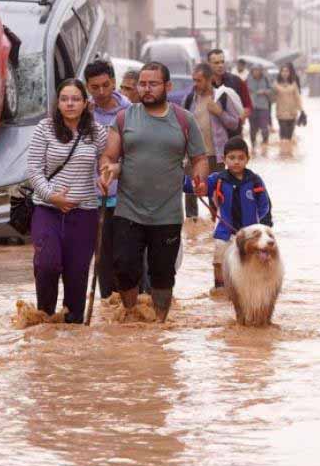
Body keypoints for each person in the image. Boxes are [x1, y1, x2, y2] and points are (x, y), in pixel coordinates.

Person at [99, 62, 208, 322]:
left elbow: (199, 158)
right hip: (128, 210)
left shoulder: (184, 120)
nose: (146, 89)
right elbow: (109, 156)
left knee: (163, 275)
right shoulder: (124, 118)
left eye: (153, 84)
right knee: (124, 268)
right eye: (142, 84)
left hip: (167, 213)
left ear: (167, 86)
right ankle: (131, 315)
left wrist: (200, 178)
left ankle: (160, 325)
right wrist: (107, 169)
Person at [27, 78, 107, 323]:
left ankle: (73, 330)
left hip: (84, 213)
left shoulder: (97, 132)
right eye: (64, 99)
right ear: (58, 103)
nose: (70, 104)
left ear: (85, 103)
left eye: (75, 99)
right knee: (47, 265)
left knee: (77, 275)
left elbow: (108, 160)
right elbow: (34, 170)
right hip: (47, 210)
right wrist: (52, 196)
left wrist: (105, 175)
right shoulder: (44, 128)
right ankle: (45, 321)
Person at [195, 137, 272, 295]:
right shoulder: (217, 179)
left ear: (247, 159)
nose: (236, 161)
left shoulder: (255, 181)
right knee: (219, 260)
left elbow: (264, 205)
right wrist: (196, 186)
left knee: (252, 262)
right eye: (232, 158)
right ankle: (219, 289)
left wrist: (257, 224)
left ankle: (251, 291)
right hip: (224, 231)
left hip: (250, 234)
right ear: (224, 159)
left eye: (241, 158)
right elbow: (199, 187)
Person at [84, 60, 131, 300]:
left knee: (127, 258)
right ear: (87, 87)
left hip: (126, 197)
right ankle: (108, 306)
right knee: (102, 259)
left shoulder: (130, 112)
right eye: (95, 87)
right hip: (94, 198)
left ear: (113, 82)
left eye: (105, 85)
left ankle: (131, 305)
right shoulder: (83, 113)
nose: (101, 92)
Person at [181, 62, 240, 220]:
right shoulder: (189, 99)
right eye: (194, 80)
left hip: (216, 155)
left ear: (209, 80)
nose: (195, 84)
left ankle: (215, 227)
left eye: (199, 80)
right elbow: (181, 125)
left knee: (215, 195)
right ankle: (193, 229)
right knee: (190, 194)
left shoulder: (222, 97)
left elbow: (234, 123)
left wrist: (219, 112)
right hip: (193, 155)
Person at [208, 48, 251, 132]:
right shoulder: (205, 83)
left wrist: (242, 116)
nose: (220, 65)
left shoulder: (237, 81)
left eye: (222, 62)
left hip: (233, 132)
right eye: (216, 63)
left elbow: (248, 105)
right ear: (209, 64)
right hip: (212, 132)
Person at [274, 63, 305, 156]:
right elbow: (272, 98)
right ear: (280, 73)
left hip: (292, 113)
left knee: (289, 136)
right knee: (283, 136)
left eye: (287, 71)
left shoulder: (294, 84)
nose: (285, 73)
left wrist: (302, 110)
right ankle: (283, 155)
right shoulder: (275, 84)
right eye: (283, 71)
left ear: (289, 73)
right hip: (281, 113)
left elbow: (297, 98)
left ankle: (288, 155)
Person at [246, 65, 272, 147]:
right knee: (253, 128)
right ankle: (253, 145)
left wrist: (264, 91)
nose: (256, 72)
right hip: (252, 107)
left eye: (258, 70)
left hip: (263, 106)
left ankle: (265, 145)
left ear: (261, 71)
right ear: (252, 71)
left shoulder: (266, 79)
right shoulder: (248, 79)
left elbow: (271, 90)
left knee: (264, 127)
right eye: (254, 70)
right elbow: (243, 91)